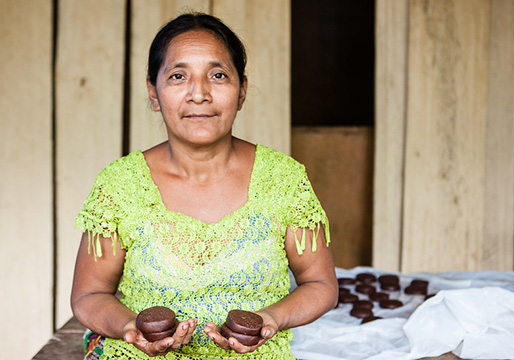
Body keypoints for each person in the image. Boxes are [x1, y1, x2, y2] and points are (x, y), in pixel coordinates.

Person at [71, 12, 338, 359]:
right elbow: (88, 295)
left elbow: (321, 285)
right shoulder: (119, 185)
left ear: (241, 90)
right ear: (154, 92)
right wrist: (131, 329)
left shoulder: (284, 180)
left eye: (218, 75)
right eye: (179, 76)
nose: (199, 94)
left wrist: (272, 318)